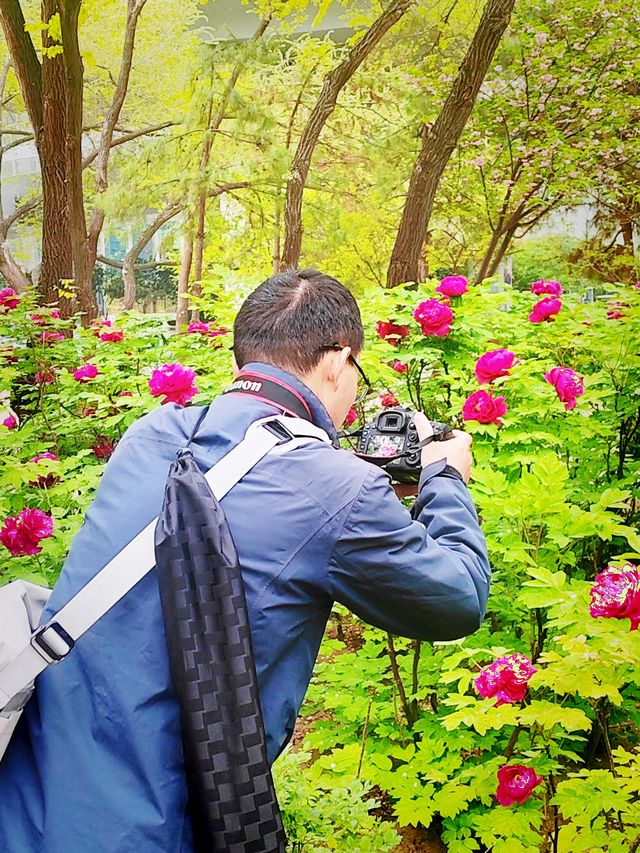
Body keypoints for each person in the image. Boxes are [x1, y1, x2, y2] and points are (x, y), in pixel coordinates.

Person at [0, 268, 490, 852]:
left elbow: (249, 506)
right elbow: (456, 600)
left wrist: (359, 491)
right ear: (338, 359)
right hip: (153, 825)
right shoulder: (337, 490)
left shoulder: (152, 433)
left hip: (32, 790)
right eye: (358, 370)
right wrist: (445, 478)